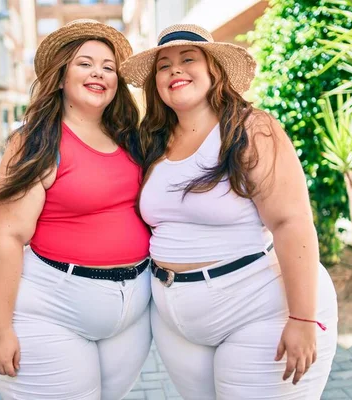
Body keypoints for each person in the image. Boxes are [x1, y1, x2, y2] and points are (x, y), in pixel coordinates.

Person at [121, 24, 338, 399]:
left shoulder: (251, 129)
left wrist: (303, 318)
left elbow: (292, 222)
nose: (175, 70)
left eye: (188, 59)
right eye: (164, 66)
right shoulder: (151, 141)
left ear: (214, 71)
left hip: (257, 311)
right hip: (176, 324)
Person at [0, 19, 152, 400]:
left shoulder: (130, 137)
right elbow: (5, 237)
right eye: (85, 63)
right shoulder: (37, 142)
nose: (98, 73)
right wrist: (0, 330)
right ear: (60, 77)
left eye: (108, 67)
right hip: (53, 310)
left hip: (132, 311)